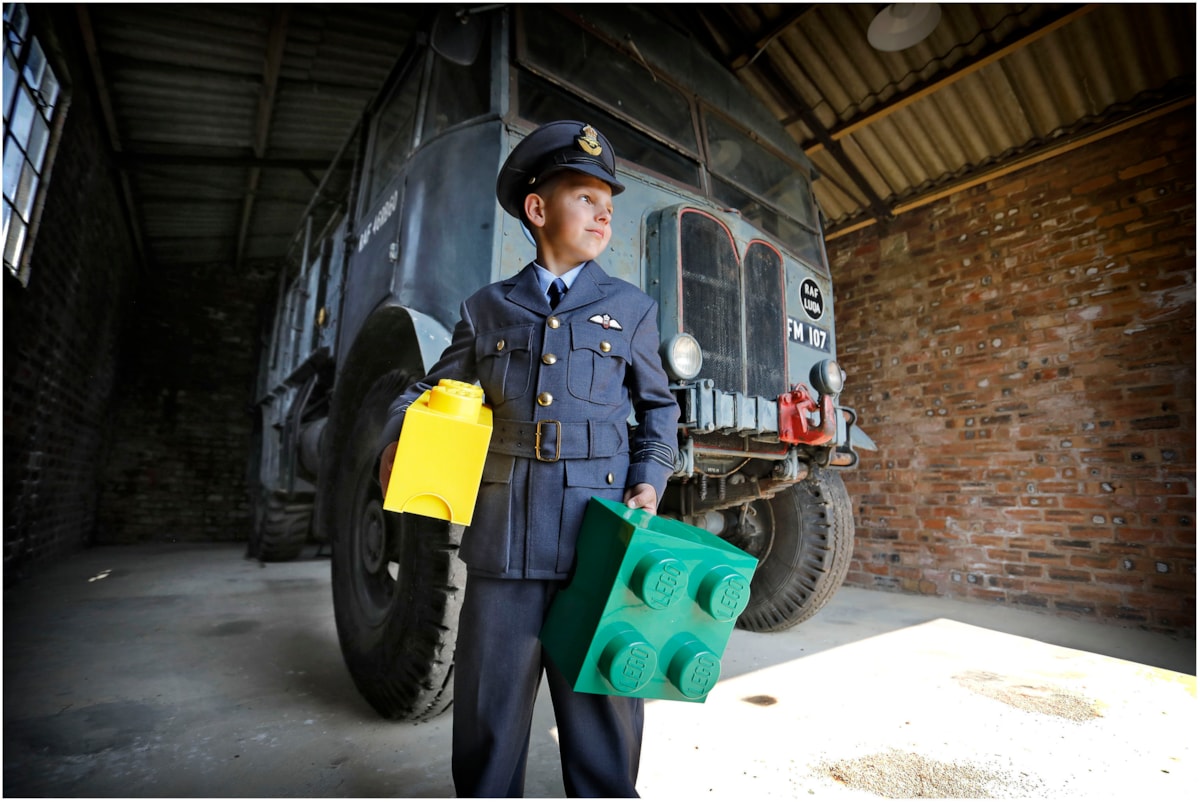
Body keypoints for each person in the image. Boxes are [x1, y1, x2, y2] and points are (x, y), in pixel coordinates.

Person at [375, 120, 680, 798]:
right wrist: (401, 435)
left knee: (604, 723)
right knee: (487, 721)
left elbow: (660, 411)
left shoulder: (630, 309)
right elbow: (432, 390)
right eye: (583, 197)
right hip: (502, 545)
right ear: (537, 210)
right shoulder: (486, 309)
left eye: (609, 201)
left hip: (596, 543)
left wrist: (649, 485)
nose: (604, 212)